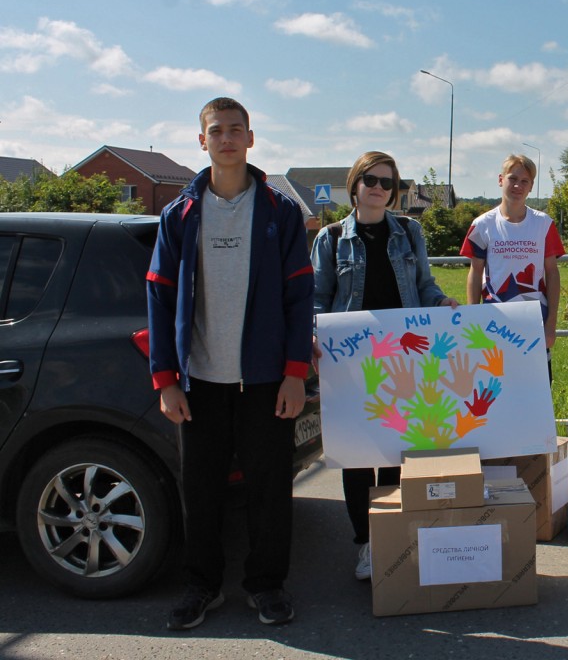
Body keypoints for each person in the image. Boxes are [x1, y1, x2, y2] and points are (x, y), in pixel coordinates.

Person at [147, 97, 313, 629]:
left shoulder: (279, 212)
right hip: (199, 381)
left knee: (269, 489)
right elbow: (158, 294)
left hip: (265, 379)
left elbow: (299, 296)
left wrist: (294, 373)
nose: (226, 139)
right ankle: (202, 586)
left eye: (235, 130)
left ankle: (267, 586)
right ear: (201, 141)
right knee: (202, 491)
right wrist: (166, 378)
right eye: (215, 131)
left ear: (250, 138)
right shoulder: (180, 215)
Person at [310, 151, 458, 581]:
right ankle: (367, 545)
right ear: (355, 184)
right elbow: (318, 299)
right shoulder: (333, 236)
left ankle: (390, 532)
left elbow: (425, 286)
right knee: (357, 457)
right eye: (370, 180)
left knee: (395, 452)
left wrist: (442, 302)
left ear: (394, 191)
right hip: (350, 360)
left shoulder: (410, 232)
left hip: (402, 356)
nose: (378, 188)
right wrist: (314, 334)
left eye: (387, 183)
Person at [460, 154, 564, 378]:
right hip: (494, 316)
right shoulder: (481, 225)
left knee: (536, 386)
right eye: (512, 178)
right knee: (494, 384)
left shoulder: (544, 224)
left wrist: (551, 323)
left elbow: (552, 274)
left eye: (524, 181)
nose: (518, 185)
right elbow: (475, 272)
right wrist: (472, 317)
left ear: (531, 186)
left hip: (534, 316)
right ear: (500, 180)